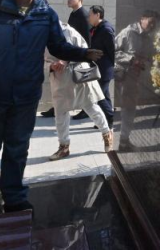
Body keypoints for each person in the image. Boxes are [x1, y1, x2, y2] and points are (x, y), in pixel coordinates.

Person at [0, 0, 102, 232]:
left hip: (26, 94)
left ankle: (15, 196)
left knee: (18, 148)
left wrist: (83, 53)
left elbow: (58, 45)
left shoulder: (45, 13)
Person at [45, 22, 113, 161]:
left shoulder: (68, 31)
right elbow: (37, 58)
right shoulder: (40, 36)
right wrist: (50, 66)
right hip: (59, 79)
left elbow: (84, 50)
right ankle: (64, 146)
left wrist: (65, 60)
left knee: (91, 107)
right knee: (60, 113)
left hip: (78, 75)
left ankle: (107, 134)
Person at [115, 10, 160, 150]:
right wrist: (132, 59)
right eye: (150, 22)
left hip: (135, 78)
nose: (152, 26)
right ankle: (122, 142)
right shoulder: (128, 32)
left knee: (129, 109)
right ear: (142, 19)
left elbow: (150, 56)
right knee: (127, 109)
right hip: (122, 76)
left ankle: (124, 141)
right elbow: (112, 51)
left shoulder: (147, 38)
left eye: (154, 24)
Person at [88, 5, 116, 128]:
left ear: (98, 15)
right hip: (98, 68)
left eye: (90, 15)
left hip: (105, 69)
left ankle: (111, 117)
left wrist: (113, 67)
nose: (88, 17)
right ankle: (108, 121)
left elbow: (113, 51)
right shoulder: (96, 29)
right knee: (104, 95)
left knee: (98, 96)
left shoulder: (106, 29)